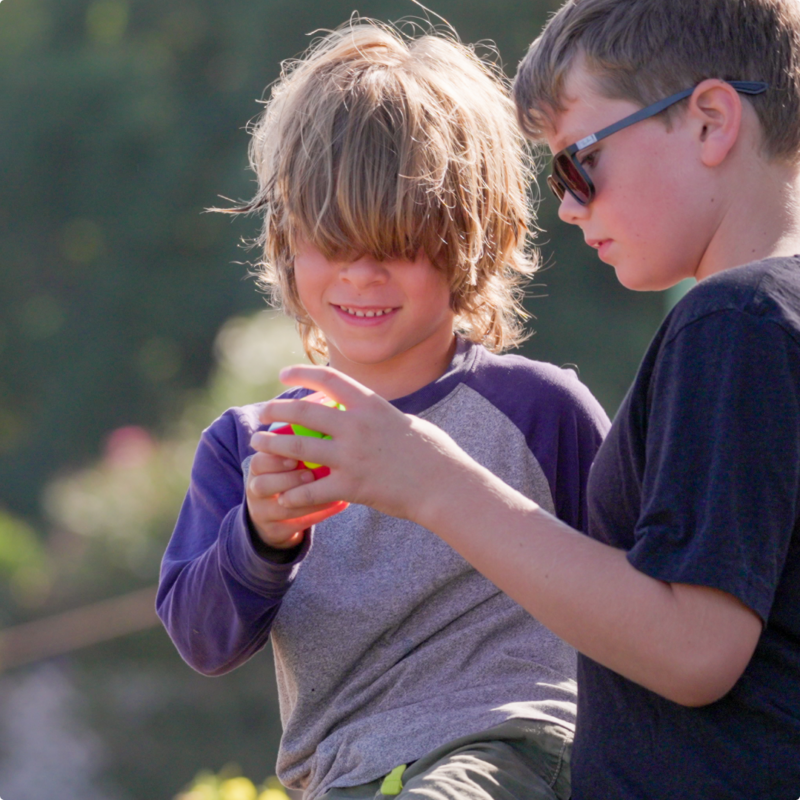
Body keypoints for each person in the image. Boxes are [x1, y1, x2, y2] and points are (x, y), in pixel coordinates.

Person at [254, 1, 800, 798]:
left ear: (711, 121)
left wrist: (431, 481)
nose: (569, 204)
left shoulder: (733, 321)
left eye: (579, 161)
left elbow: (695, 649)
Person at [157, 20, 610, 800]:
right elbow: (203, 641)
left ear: (472, 238)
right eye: (334, 240)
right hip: (345, 779)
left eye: (398, 243)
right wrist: (263, 536)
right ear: (285, 239)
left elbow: (640, 601)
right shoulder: (248, 446)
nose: (362, 275)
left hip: (512, 750)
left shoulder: (540, 410)